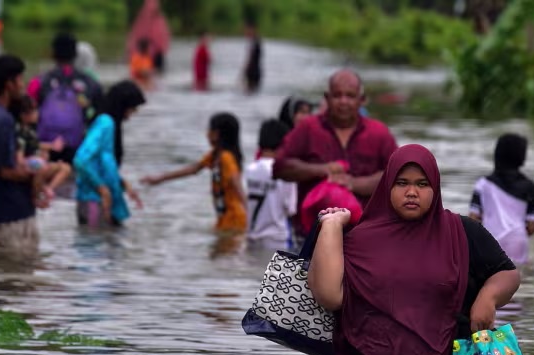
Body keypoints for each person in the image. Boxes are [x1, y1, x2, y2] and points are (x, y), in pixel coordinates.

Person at [308, 144, 521, 355]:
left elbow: (508, 272)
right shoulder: (359, 239)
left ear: (435, 188)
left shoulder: (462, 232)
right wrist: (332, 225)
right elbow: (328, 294)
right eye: (402, 183)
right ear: (387, 187)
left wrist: (488, 297)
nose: (412, 192)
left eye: (422, 184)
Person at [273, 69, 398, 235]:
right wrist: (321, 170)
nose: (343, 101)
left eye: (350, 96)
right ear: (327, 98)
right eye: (337, 95)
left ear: (361, 100)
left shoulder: (379, 133)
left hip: (364, 237)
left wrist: (354, 183)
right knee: (279, 261)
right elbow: (278, 167)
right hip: (309, 236)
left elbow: (397, 176)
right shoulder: (308, 128)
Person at [141, 113, 248, 234]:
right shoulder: (214, 155)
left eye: (209, 130)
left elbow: (236, 181)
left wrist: (250, 211)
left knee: (224, 252)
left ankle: (274, 254)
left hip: (234, 220)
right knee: (219, 252)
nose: (207, 134)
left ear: (217, 134)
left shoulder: (226, 158)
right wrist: (160, 178)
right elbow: (193, 169)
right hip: (224, 218)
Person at [0, 54, 41, 253]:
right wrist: (38, 175)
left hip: (0, 211)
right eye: (20, 79)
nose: (23, 85)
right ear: (9, 84)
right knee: (18, 274)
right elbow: (6, 171)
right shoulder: (2, 120)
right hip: (11, 213)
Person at [73, 81, 146, 228]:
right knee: (94, 247)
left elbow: (102, 162)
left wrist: (122, 183)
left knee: (108, 245)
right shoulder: (106, 123)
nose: (131, 115)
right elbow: (81, 160)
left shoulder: (107, 123)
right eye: (132, 109)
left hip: (100, 200)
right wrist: (102, 189)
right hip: (94, 200)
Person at [32, 32, 104, 164]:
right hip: (79, 148)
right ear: (76, 55)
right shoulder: (92, 83)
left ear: (52, 53)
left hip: (46, 148)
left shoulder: (39, 82)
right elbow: (100, 118)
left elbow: (27, 112)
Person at [469, 133, 534, 267]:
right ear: (522, 157)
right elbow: (532, 227)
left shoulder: (482, 184)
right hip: (517, 242)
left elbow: (473, 219)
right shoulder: (530, 187)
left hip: (489, 241)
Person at [9, 95, 72, 207]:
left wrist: (52, 146)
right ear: (24, 115)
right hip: (27, 164)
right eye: (34, 111)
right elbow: (19, 157)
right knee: (41, 165)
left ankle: (48, 190)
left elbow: (36, 145)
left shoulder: (30, 130)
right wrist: (37, 158)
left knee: (66, 168)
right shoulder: (20, 132)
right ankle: (36, 196)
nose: (38, 113)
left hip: (36, 162)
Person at [245, 119, 296, 250]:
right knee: (281, 271)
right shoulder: (286, 174)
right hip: (277, 241)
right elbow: (291, 210)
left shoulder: (249, 170)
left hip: (251, 238)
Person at [127, 0, 171, 72]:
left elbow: (164, 40)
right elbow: (135, 38)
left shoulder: (160, 21)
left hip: (156, 55)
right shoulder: (142, 19)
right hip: (144, 55)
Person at [243, 22, 262, 93]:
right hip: (255, 71)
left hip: (253, 71)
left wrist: (245, 72)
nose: (245, 32)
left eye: (246, 30)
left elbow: (251, 58)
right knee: (252, 92)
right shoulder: (255, 40)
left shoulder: (254, 41)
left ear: (252, 29)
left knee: (249, 92)